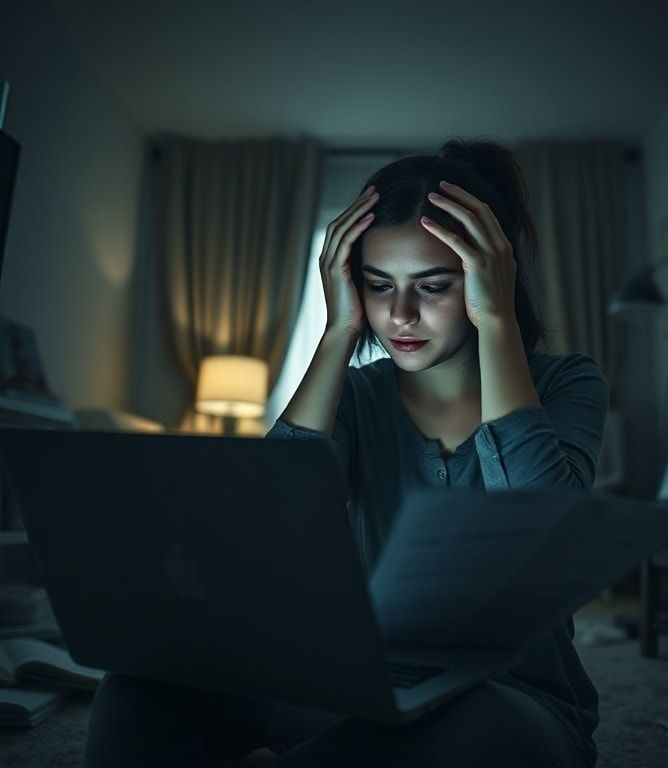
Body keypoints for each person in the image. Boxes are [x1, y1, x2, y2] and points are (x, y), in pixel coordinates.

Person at [84, 138, 607, 768]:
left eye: (434, 287)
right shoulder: (356, 395)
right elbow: (267, 524)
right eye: (378, 284)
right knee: (139, 683)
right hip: (352, 693)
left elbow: (544, 529)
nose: (400, 315)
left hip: (513, 706)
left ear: (490, 275)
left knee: (461, 719)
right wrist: (336, 333)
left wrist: (496, 322)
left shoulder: (568, 382)